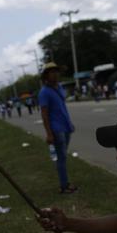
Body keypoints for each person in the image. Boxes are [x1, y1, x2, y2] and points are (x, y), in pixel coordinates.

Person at [38, 62, 77, 194]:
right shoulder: (44, 92)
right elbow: (44, 114)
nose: (55, 74)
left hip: (65, 127)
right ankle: (64, 186)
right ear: (46, 75)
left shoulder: (59, 87)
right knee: (61, 157)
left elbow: (62, 108)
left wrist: (69, 123)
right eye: (51, 72)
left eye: (56, 71)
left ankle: (65, 183)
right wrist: (49, 133)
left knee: (63, 156)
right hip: (56, 129)